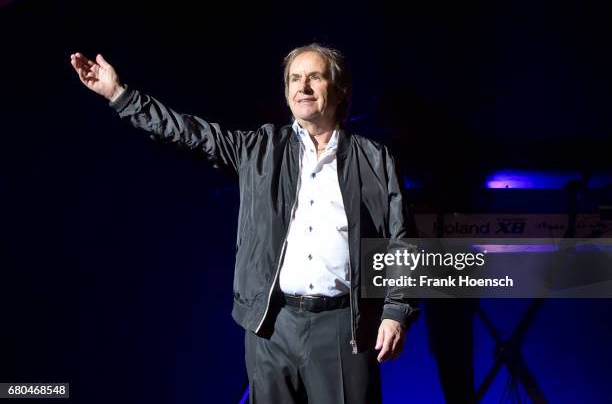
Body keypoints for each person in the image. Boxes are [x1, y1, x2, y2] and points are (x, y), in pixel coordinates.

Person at [70, 43, 419, 404]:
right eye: (295, 79)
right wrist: (118, 94)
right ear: (286, 93)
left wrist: (395, 312)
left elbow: (402, 241)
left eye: (315, 77)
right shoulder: (259, 149)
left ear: (340, 87)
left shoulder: (374, 159)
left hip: (342, 326)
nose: (304, 87)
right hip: (272, 325)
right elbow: (188, 132)